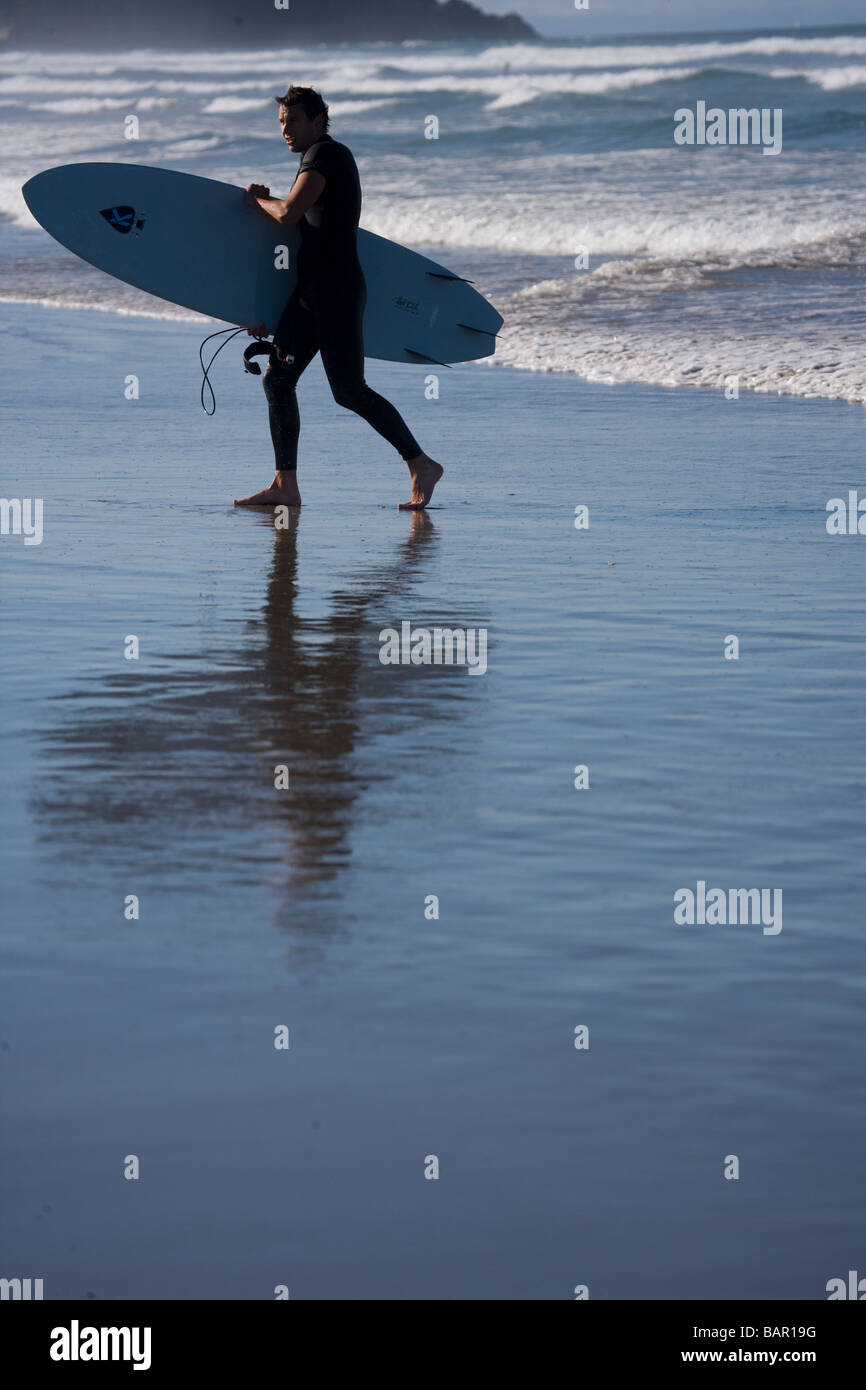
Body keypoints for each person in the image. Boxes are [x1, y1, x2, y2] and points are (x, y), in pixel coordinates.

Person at [235, 85, 443, 511]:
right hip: (311, 292)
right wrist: (265, 312)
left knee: (348, 390)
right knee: (277, 379)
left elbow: (290, 213)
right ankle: (284, 485)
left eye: (293, 121)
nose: (286, 130)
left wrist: (258, 199)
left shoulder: (327, 156)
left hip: (335, 292)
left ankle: (421, 464)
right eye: (281, 123)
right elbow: (302, 235)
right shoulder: (313, 160)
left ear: (319, 121)